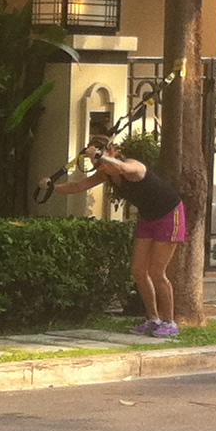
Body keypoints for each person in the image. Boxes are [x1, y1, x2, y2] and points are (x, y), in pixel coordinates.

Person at [51, 138, 185, 334]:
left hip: (169, 214)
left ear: (112, 152)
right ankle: (153, 319)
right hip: (147, 218)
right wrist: (52, 187)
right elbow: (79, 185)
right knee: (139, 271)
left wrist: (101, 156)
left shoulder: (133, 166)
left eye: (101, 159)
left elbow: (122, 167)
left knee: (157, 272)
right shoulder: (106, 174)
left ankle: (169, 322)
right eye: (96, 162)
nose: (99, 165)